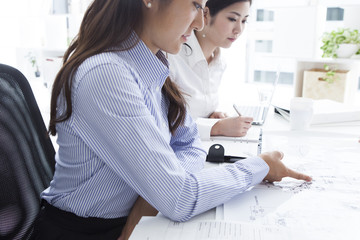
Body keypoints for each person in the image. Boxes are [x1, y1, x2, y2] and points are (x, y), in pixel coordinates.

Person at [32, 0, 311, 239]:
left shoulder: (151, 67)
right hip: (84, 233)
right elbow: (180, 198)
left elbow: (189, 144)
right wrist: (259, 167)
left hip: (129, 223)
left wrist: (150, 196)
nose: (200, 23)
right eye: (195, 5)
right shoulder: (107, 74)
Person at [168, 0, 253, 140]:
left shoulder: (219, 63)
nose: (238, 30)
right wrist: (216, 127)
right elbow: (164, 124)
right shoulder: (173, 57)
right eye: (232, 19)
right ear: (205, 14)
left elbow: (194, 112)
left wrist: (210, 117)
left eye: (244, 21)